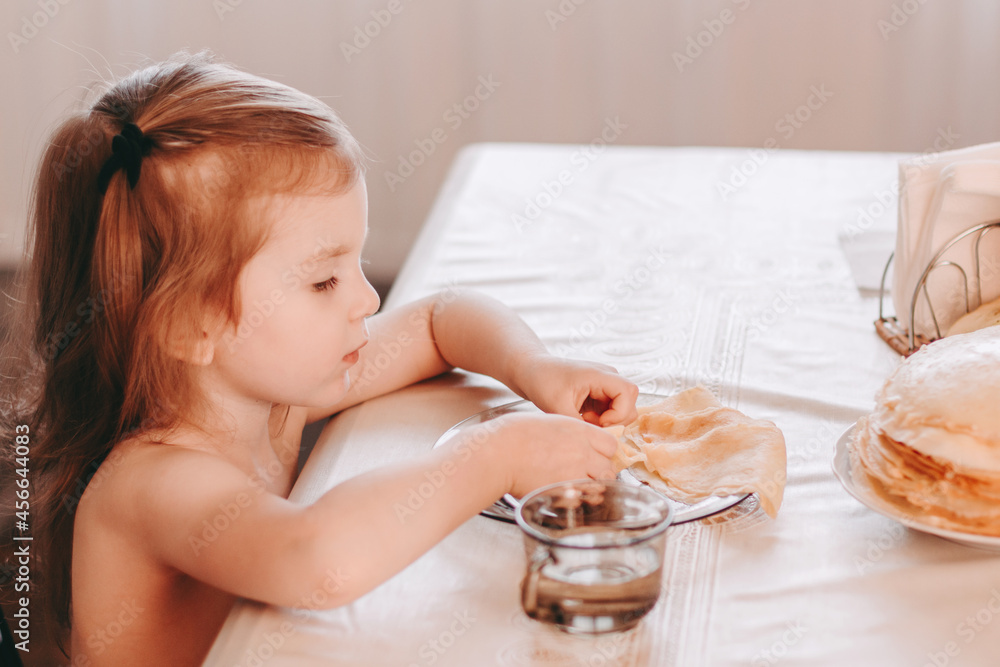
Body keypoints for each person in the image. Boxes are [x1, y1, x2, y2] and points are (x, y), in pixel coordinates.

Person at [0, 51, 638, 665]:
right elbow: (315, 559)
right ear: (189, 325)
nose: (366, 297)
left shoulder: (267, 391)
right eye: (323, 281)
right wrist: (499, 453)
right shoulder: (153, 481)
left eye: (355, 263)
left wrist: (535, 369)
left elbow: (438, 321)